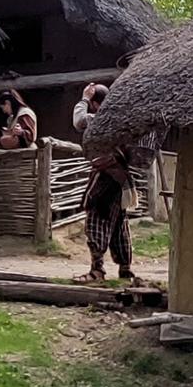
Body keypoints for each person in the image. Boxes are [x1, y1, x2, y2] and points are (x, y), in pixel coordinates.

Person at [69, 82, 134, 282]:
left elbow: (79, 121)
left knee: (97, 217)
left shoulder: (99, 119)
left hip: (106, 177)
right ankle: (125, 268)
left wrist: (84, 98)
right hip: (121, 180)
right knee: (118, 223)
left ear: (96, 104)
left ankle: (97, 269)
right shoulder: (124, 120)